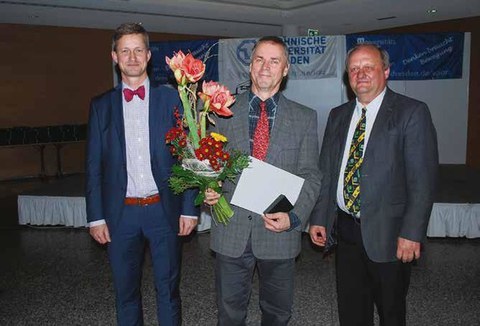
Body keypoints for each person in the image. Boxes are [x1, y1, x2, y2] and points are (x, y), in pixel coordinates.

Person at [309, 43, 438, 326]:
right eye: (354, 69)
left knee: (391, 312)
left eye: (369, 67)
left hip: (391, 235)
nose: (361, 74)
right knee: (352, 310)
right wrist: (320, 217)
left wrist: (411, 233)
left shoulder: (412, 112)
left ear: (386, 71)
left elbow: (423, 180)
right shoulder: (338, 115)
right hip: (346, 231)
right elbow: (328, 172)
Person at [85, 23, 198, 326]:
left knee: (168, 291)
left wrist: (189, 207)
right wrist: (96, 217)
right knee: (125, 294)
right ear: (114, 56)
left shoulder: (174, 100)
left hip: (164, 210)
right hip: (120, 214)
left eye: (138, 50)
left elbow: (188, 156)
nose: (132, 57)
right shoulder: (100, 107)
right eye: (125, 51)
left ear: (148, 55)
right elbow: (94, 165)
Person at [204, 36, 322, 325]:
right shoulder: (222, 112)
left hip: (279, 234)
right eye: (259, 59)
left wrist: (294, 218)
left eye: (274, 60)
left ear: (286, 69)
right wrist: (207, 186)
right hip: (231, 230)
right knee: (229, 314)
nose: (265, 66)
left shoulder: (305, 118)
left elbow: (311, 175)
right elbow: (208, 164)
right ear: (250, 66)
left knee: (277, 313)